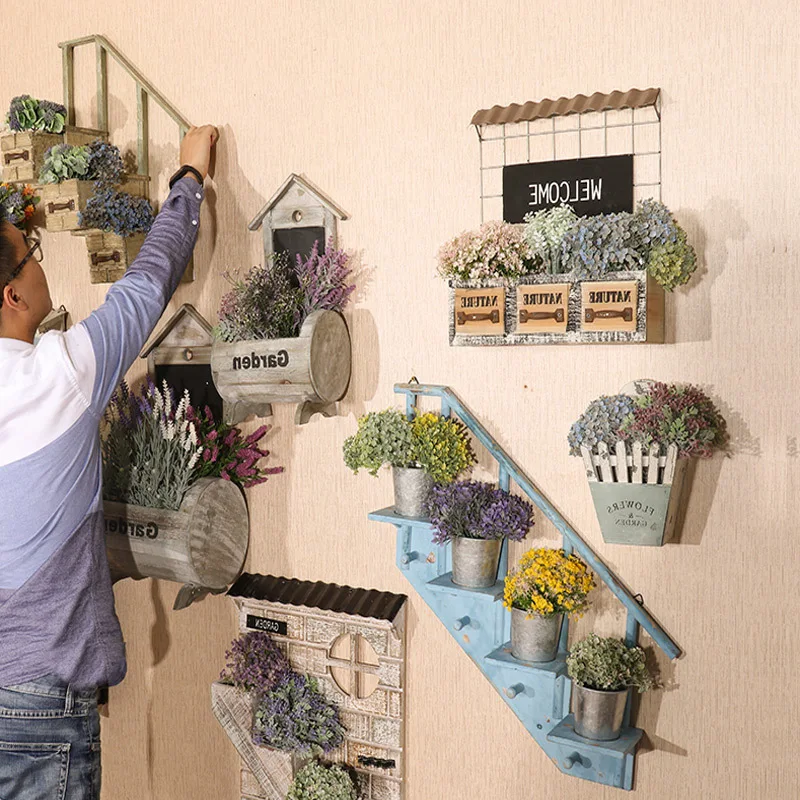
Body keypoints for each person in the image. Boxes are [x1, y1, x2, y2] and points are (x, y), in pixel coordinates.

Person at [0, 124, 219, 799]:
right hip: (39, 700)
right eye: (31, 254)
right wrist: (189, 179)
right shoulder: (57, 374)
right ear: (12, 296)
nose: (39, 263)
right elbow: (146, 286)